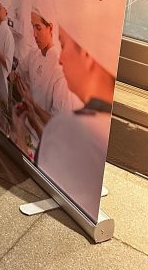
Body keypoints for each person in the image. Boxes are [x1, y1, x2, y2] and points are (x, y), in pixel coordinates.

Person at [34, 18, 116, 220]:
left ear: (86, 55)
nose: (60, 59)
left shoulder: (71, 125)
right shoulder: (95, 120)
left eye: (63, 45)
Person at [10, 0, 79, 155]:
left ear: (51, 28)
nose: (34, 34)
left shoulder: (60, 70)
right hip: (26, 127)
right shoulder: (34, 54)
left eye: (38, 28)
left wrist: (32, 104)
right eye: (32, 26)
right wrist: (15, 77)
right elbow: (18, 74)